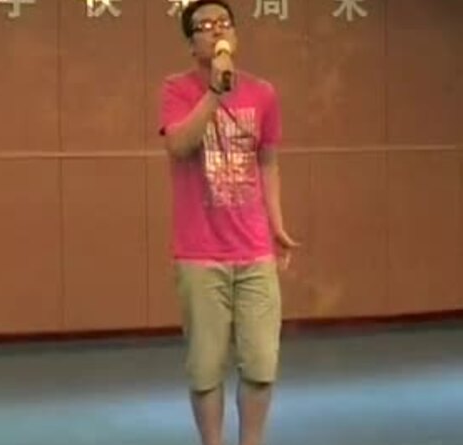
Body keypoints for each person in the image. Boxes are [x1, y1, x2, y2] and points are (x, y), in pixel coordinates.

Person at [158, 1, 299, 444]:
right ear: (191, 43)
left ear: (235, 35)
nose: (216, 31)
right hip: (200, 254)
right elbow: (179, 145)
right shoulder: (176, 89)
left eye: (224, 23)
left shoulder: (263, 93)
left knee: (261, 365)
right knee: (205, 369)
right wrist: (215, 92)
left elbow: (268, 162)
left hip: (254, 250)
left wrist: (276, 225)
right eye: (205, 26)